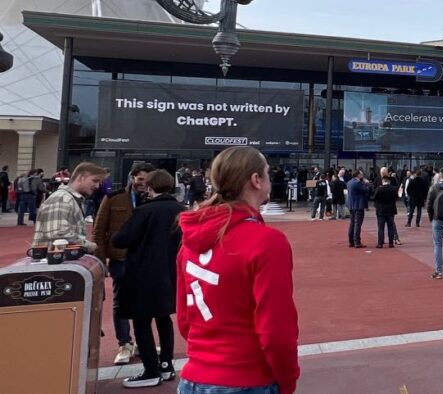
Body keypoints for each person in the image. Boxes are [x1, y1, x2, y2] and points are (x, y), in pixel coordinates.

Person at [176, 146, 299, 394]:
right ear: (256, 180)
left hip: (194, 376)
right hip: (247, 376)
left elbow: (185, 316)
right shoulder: (267, 242)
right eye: (267, 173)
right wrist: (287, 380)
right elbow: (276, 329)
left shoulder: (191, 238)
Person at [112, 170, 185, 388]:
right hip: (171, 271)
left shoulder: (144, 211)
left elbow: (120, 239)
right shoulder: (181, 210)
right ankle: (166, 365)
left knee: (141, 321)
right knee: (164, 318)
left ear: (150, 187)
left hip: (143, 272)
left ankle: (151, 370)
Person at [93, 162, 155, 366]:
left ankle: (142, 342)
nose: (143, 184)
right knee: (121, 302)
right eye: (140, 179)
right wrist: (100, 260)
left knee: (144, 302)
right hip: (120, 258)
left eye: (147, 180)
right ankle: (124, 343)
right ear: (132, 178)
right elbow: (98, 230)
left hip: (146, 259)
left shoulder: (155, 199)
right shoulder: (114, 198)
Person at [32, 162, 105, 251]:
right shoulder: (62, 198)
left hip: (59, 258)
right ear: (80, 178)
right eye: (95, 181)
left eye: (99, 183)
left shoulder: (70, 199)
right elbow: (59, 234)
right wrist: (90, 246)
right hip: (54, 258)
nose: (97, 186)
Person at [372, 176, 399, 248]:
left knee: (381, 227)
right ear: (389, 181)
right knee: (390, 227)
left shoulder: (379, 189)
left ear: (383, 181)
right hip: (391, 210)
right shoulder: (394, 189)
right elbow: (396, 198)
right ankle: (391, 243)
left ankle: (380, 243)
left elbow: (374, 198)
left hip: (381, 210)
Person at [346, 170, 370, 248]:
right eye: (361, 174)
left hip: (351, 205)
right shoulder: (357, 183)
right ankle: (357, 241)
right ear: (358, 175)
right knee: (357, 224)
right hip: (358, 205)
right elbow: (366, 190)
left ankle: (351, 241)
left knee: (352, 223)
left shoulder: (349, 182)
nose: (362, 176)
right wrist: (366, 183)